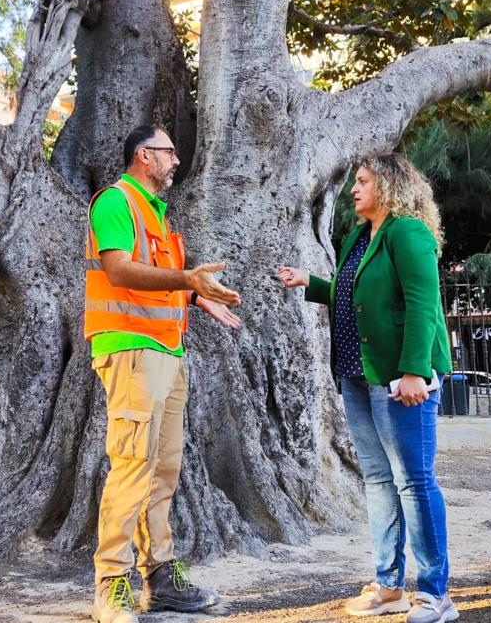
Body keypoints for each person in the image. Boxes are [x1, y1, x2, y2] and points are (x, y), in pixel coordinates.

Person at [277, 153, 457, 623]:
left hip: (400, 377)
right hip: (358, 374)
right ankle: (389, 585)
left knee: (414, 482)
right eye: (355, 181)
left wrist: (416, 370)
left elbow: (422, 304)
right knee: (378, 482)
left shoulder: (408, 233)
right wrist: (309, 282)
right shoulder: (361, 234)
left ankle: (436, 595)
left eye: (363, 181)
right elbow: (352, 293)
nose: (354, 189)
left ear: (390, 186)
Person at [86, 124, 243, 623]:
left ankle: (160, 577)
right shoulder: (115, 202)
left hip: (167, 353)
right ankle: (111, 584)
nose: (176, 160)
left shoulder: (157, 213)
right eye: (168, 152)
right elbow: (119, 271)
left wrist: (196, 295)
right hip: (131, 350)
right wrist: (186, 278)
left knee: (164, 468)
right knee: (132, 465)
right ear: (142, 156)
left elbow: (158, 281)